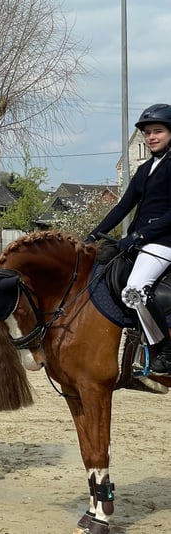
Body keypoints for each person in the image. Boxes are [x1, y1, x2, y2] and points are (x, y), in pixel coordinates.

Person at [86, 103, 171, 374]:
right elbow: (123, 206)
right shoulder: (146, 168)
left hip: (164, 240)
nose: (151, 137)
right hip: (142, 240)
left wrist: (139, 235)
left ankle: (167, 352)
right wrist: (93, 234)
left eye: (158, 131)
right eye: (147, 133)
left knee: (134, 290)